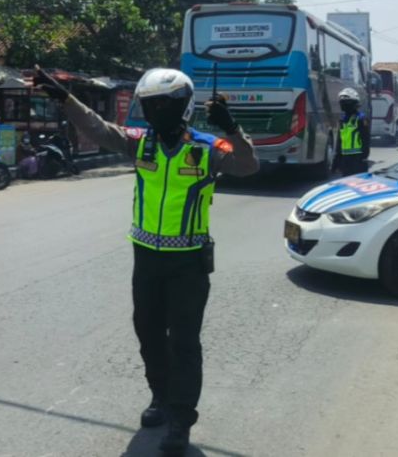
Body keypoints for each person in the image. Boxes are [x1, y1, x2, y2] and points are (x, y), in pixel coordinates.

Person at [34, 66, 259, 456]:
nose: (155, 114)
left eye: (163, 106)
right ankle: (160, 396)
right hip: (147, 260)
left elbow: (248, 164)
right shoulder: (141, 143)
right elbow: (99, 128)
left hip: (188, 263)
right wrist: (64, 99)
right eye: (150, 106)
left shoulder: (206, 148)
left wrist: (233, 130)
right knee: (149, 335)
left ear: (183, 107)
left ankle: (180, 418)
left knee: (184, 343)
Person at [333, 88, 370, 176]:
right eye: (342, 103)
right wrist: (336, 161)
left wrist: (364, 157)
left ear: (354, 103)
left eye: (347, 103)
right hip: (345, 160)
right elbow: (340, 141)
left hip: (358, 159)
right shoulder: (343, 120)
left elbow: (366, 139)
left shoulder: (361, 118)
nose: (344, 105)